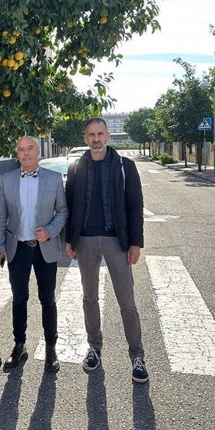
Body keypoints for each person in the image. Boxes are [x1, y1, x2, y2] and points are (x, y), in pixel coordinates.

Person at [65, 117, 148, 383]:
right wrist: (70, 239)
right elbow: (69, 205)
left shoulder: (125, 166)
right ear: (85, 137)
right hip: (86, 241)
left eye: (100, 133)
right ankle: (94, 348)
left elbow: (135, 206)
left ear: (108, 136)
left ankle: (137, 356)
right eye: (91, 134)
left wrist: (135, 243)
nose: (96, 139)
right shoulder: (77, 167)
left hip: (117, 242)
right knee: (89, 298)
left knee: (127, 301)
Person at [0, 136, 68, 372]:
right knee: (19, 299)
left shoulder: (54, 179)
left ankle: (50, 348)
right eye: (21, 150)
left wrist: (50, 231)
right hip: (18, 248)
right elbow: (1, 216)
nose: (25, 154)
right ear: (17, 154)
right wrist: (0, 246)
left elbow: (63, 210)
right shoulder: (6, 180)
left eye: (30, 149)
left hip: (45, 249)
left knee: (48, 299)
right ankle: (19, 345)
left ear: (38, 152)